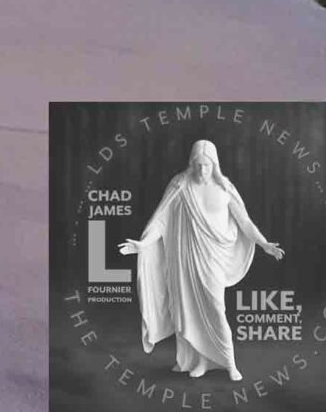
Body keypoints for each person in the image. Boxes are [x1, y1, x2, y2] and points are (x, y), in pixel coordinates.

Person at [119, 138, 282, 384]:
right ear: (191, 163)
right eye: (197, 165)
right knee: (188, 310)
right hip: (186, 260)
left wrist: (264, 243)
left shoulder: (225, 188)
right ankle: (199, 361)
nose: (202, 170)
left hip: (213, 259)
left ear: (214, 164)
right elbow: (161, 220)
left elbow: (245, 222)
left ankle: (229, 363)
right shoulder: (180, 185)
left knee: (216, 310)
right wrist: (143, 244)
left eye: (207, 165)